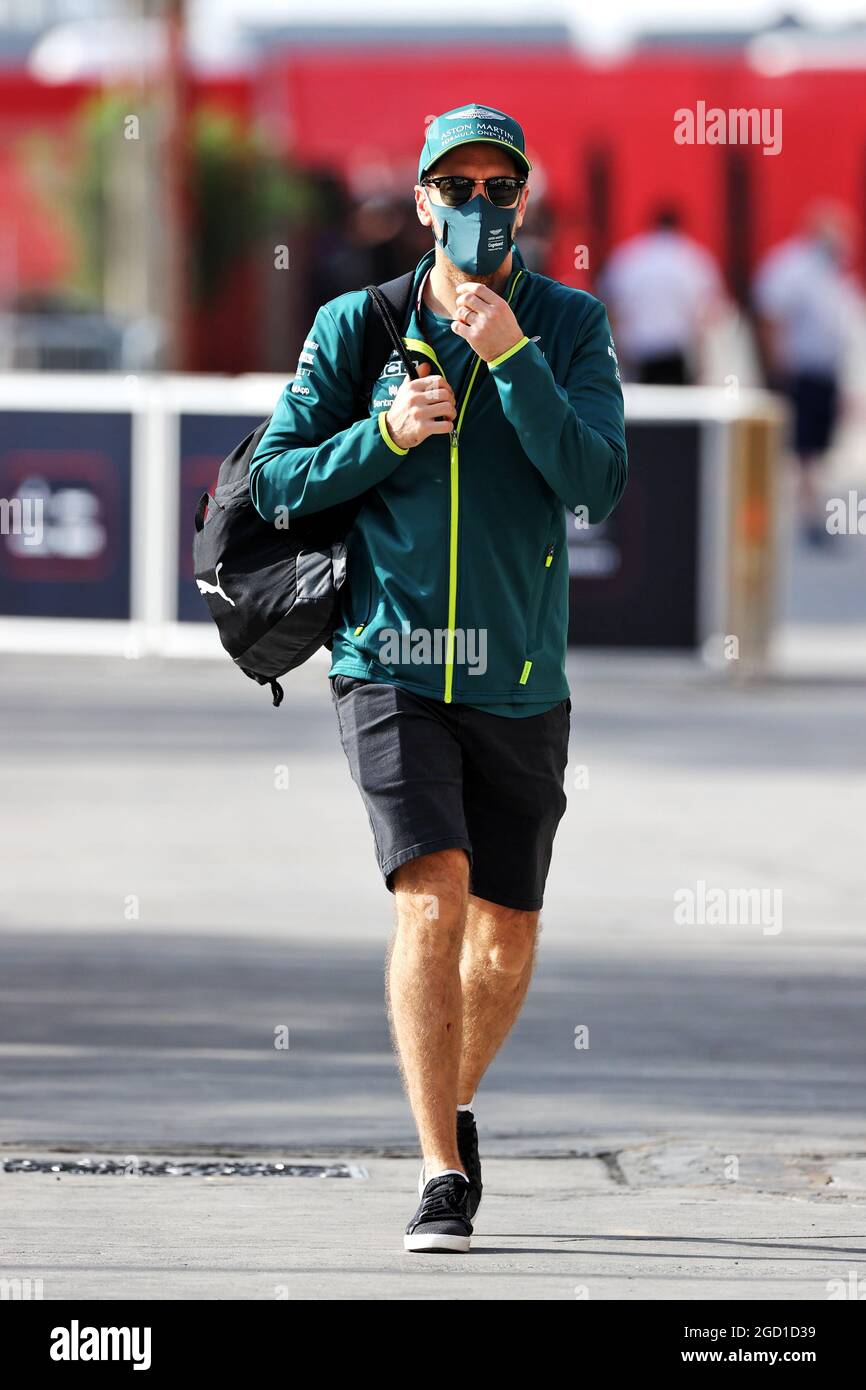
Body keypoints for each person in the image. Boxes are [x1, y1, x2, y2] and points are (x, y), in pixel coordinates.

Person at [250, 103, 627, 1253]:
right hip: (390, 662)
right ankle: (436, 1172)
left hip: (518, 671)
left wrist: (511, 358)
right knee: (432, 889)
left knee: (504, 936)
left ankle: (447, 1101)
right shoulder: (354, 326)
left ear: (523, 201)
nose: (474, 208)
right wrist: (384, 434)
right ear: (417, 201)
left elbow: (596, 481)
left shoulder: (567, 324)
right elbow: (274, 484)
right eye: (452, 188)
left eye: (494, 189)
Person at [753, 202, 858, 546]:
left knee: (812, 449)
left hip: (822, 371)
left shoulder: (831, 272)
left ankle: (807, 512)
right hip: (800, 371)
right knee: (800, 447)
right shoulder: (793, 267)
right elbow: (771, 316)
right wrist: (777, 368)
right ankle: (800, 516)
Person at [599, 205, 725, 384]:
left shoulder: (628, 257)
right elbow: (709, 313)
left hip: (639, 353)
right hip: (679, 354)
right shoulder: (694, 258)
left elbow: (611, 309)